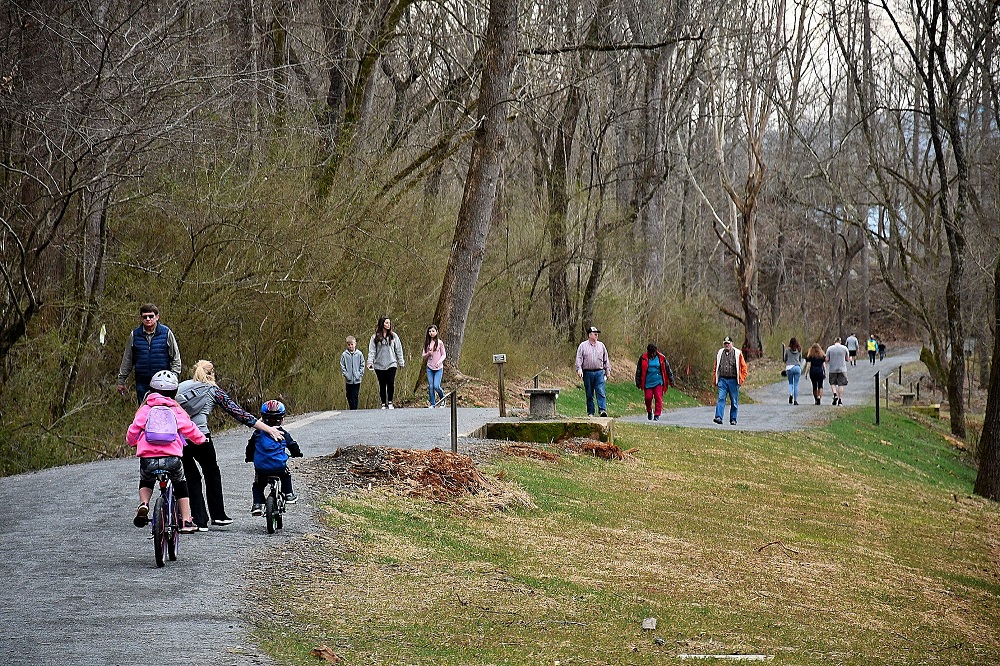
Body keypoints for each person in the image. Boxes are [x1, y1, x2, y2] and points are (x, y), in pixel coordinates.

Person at [176, 359, 285, 531]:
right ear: (212, 373)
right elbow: (239, 413)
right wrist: (268, 429)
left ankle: (199, 519)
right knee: (211, 471)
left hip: (178, 437)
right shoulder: (213, 390)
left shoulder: (180, 386)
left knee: (191, 476)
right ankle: (218, 515)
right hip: (200, 436)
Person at [126, 370, 205, 534]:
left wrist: (133, 442)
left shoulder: (145, 409)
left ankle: (144, 504)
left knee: (146, 480)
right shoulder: (175, 410)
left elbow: (133, 430)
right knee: (181, 484)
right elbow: (190, 429)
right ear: (174, 392)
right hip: (172, 458)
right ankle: (186, 521)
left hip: (148, 458)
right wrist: (201, 440)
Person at [245, 400, 303, 515]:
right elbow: (292, 445)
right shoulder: (283, 434)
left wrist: (249, 457)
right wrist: (297, 453)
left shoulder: (257, 434)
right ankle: (288, 494)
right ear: (281, 419)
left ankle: (257, 504)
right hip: (279, 467)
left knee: (258, 485)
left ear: (262, 418)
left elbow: (250, 448)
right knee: (286, 475)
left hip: (261, 468)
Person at [116, 303, 182, 403]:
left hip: (164, 385)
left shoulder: (166, 333)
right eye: (145, 317)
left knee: (164, 412)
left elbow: (175, 358)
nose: (148, 319)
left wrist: (173, 377)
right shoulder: (135, 335)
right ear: (141, 318)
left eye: (151, 316)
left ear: (157, 317)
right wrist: (121, 381)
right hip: (142, 383)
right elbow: (127, 360)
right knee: (144, 414)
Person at [367, 316, 406, 409]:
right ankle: (383, 403)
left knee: (390, 382)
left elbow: (398, 349)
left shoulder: (394, 336)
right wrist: (370, 362)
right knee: (382, 384)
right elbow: (372, 351)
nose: (389, 325)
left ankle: (390, 401)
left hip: (391, 363)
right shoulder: (374, 337)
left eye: (389, 323)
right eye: (386, 323)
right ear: (382, 324)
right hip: (379, 364)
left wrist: (401, 362)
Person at [575, 326, 611, 417]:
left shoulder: (601, 346)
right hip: (587, 372)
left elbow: (606, 358)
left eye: (597, 334)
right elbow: (579, 358)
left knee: (600, 391)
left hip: (599, 372)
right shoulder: (583, 346)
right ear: (589, 335)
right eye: (595, 334)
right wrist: (579, 369)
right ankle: (591, 412)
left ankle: (602, 410)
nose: (596, 335)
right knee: (589, 393)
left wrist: (607, 370)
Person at [713, 336, 748, 425]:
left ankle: (733, 419)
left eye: (728, 343)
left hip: (733, 380)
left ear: (732, 344)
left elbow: (744, 369)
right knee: (721, 398)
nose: (727, 345)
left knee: (734, 401)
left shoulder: (737, 353)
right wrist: (715, 379)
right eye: (725, 343)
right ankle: (718, 417)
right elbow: (716, 367)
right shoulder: (720, 353)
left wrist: (741, 380)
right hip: (722, 380)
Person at [635, 343, 674, 421]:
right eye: (651, 353)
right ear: (648, 352)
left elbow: (667, 369)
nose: (653, 354)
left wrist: (671, 380)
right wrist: (638, 381)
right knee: (648, 398)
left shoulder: (662, 358)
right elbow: (639, 370)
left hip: (659, 381)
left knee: (658, 397)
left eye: (654, 352)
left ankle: (657, 414)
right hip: (648, 382)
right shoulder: (643, 358)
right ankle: (649, 411)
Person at [422, 325, 447, 408]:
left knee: (436, 385)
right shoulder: (427, 343)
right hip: (430, 367)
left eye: (433, 331)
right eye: (429, 331)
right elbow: (424, 356)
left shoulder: (440, 343)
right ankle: (432, 403)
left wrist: (439, 362)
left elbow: (444, 355)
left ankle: (442, 398)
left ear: (436, 332)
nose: (431, 333)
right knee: (431, 386)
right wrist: (428, 353)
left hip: (438, 368)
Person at [340, 336, 365, 410]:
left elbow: (362, 364)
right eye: (349, 344)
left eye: (352, 344)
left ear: (355, 344)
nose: (350, 346)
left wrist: (360, 374)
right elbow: (342, 365)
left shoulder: (359, 354)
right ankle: (352, 407)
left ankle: (355, 409)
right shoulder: (344, 355)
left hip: (357, 379)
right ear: (346, 345)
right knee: (349, 395)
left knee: (355, 395)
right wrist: (345, 374)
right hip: (349, 379)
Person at [825, 337, 850, 406]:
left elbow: (826, 359)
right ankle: (840, 400)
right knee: (840, 384)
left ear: (834, 341)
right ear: (840, 341)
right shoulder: (844, 348)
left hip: (832, 369)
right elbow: (847, 359)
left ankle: (834, 394)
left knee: (832, 383)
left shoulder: (830, 348)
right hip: (842, 369)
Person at [783, 337, 803, 405]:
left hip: (789, 368)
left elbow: (785, 359)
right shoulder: (799, 350)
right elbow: (800, 359)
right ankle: (795, 400)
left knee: (790, 383)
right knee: (796, 384)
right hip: (797, 367)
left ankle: (791, 394)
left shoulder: (787, 350)